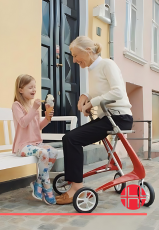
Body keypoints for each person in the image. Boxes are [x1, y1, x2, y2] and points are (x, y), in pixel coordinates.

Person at [56, 36, 133, 205]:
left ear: (89, 51)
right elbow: (100, 91)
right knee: (68, 138)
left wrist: (92, 102)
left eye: (76, 56)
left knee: (72, 139)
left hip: (119, 118)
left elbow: (118, 92)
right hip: (108, 117)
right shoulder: (92, 69)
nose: (74, 60)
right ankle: (73, 182)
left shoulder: (107, 64)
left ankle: (76, 187)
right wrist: (86, 96)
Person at [12, 74, 58, 205]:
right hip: (22, 146)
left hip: (35, 144)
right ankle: (47, 186)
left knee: (53, 152)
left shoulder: (34, 107)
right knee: (43, 153)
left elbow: (37, 128)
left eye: (35, 87)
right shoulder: (17, 105)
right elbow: (23, 123)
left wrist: (47, 119)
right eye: (30, 87)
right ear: (21, 90)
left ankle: (38, 182)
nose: (34, 90)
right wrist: (33, 109)